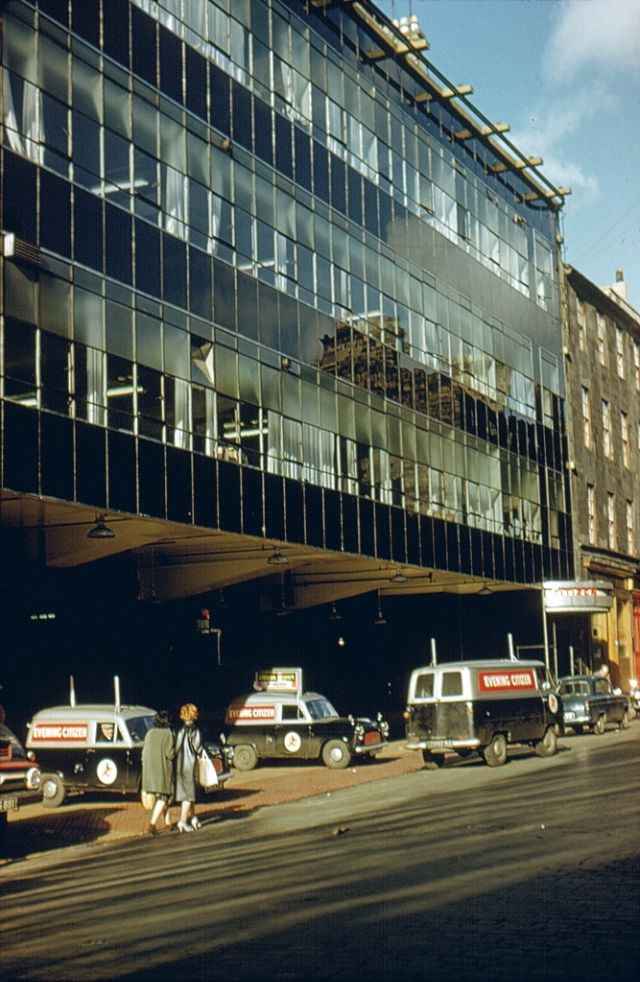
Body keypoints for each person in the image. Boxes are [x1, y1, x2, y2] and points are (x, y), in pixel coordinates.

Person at [141, 710, 174, 835]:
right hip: (162, 770)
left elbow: (144, 752)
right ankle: (152, 824)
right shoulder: (168, 734)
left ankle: (168, 822)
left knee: (161, 797)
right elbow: (169, 754)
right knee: (164, 796)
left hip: (149, 770)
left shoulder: (149, 733)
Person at [174, 702, 203, 832]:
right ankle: (183, 821)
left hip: (180, 765)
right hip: (190, 765)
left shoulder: (180, 730)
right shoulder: (195, 731)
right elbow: (197, 747)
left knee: (188, 794)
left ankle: (193, 817)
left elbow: (176, 748)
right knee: (188, 795)